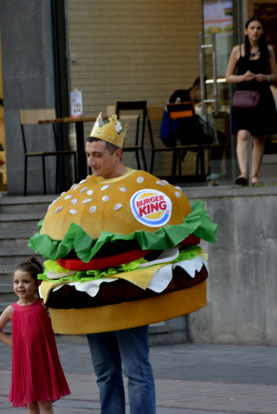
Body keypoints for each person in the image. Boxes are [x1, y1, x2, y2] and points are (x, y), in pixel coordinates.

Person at [84, 117, 156, 413]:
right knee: (105, 372)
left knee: (136, 370)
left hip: (130, 291)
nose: (91, 162)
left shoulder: (143, 187)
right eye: (88, 155)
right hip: (91, 291)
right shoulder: (83, 190)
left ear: (117, 155)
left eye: (97, 155)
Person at [0, 257, 70, 413]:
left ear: (37, 284)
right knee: (31, 404)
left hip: (43, 359)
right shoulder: (11, 310)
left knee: (45, 403)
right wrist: (15, 345)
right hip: (24, 362)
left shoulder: (44, 305)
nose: (20, 286)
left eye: (25, 281)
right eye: (16, 282)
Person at [225, 16, 277, 186]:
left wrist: (266, 77)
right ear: (246, 31)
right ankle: (243, 173)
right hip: (243, 97)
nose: (255, 31)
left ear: (262, 31)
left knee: (259, 137)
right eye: (252, 28)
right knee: (242, 134)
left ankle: (254, 176)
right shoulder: (237, 51)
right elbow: (228, 77)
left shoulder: (268, 50)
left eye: (259, 28)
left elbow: (276, 76)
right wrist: (243, 77)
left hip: (262, 96)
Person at [160, 77, 226, 182]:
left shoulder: (196, 101)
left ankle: (214, 171)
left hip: (192, 134)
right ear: (196, 89)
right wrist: (195, 107)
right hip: (174, 135)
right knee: (194, 125)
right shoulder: (179, 95)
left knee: (220, 137)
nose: (203, 97)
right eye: (203, 94)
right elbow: (175, 115)